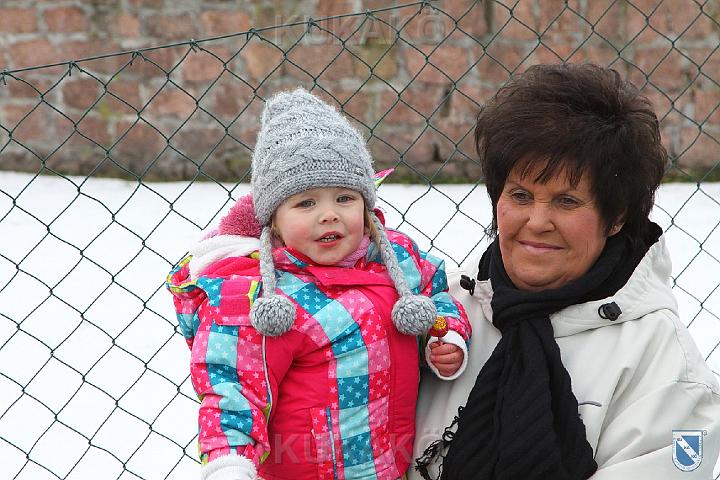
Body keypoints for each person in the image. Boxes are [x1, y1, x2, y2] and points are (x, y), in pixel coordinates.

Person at [411, 63, 720, 480]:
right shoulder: (439, 315)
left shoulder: (662, 362)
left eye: (567, 201)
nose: (537, 222)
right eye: (521, 195)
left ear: (616, 217)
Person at [167, 88, 471, 480]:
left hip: (391, 466)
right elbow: (233, 391)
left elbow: (437, 293)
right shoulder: (259, 298)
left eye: (344, 198)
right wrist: (229, 465)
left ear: (366, 204)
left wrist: (446, 336)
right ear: (273, 221)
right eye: (306, 203)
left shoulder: (395, 258)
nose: (329, 215)